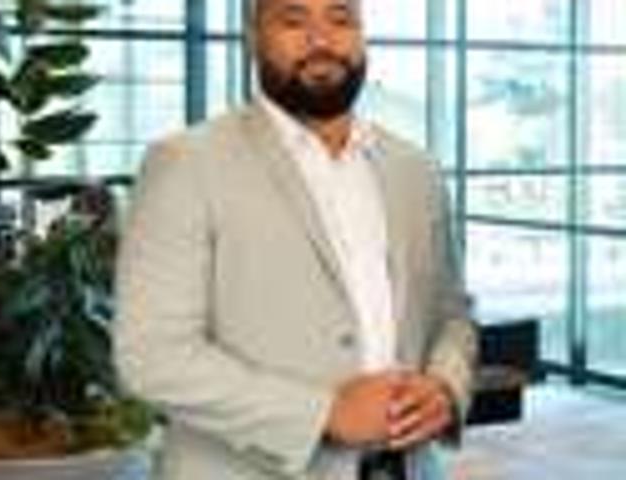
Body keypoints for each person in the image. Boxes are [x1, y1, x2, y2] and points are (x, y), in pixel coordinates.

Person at [115, 0, 477, 479]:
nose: (321, 39)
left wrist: (445, 387)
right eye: (293, 20)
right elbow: (152, 355)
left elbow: (453, 313)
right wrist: (324, 414)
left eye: (340, 19)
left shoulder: (417, 170)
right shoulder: (185, 164)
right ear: (253, 37)